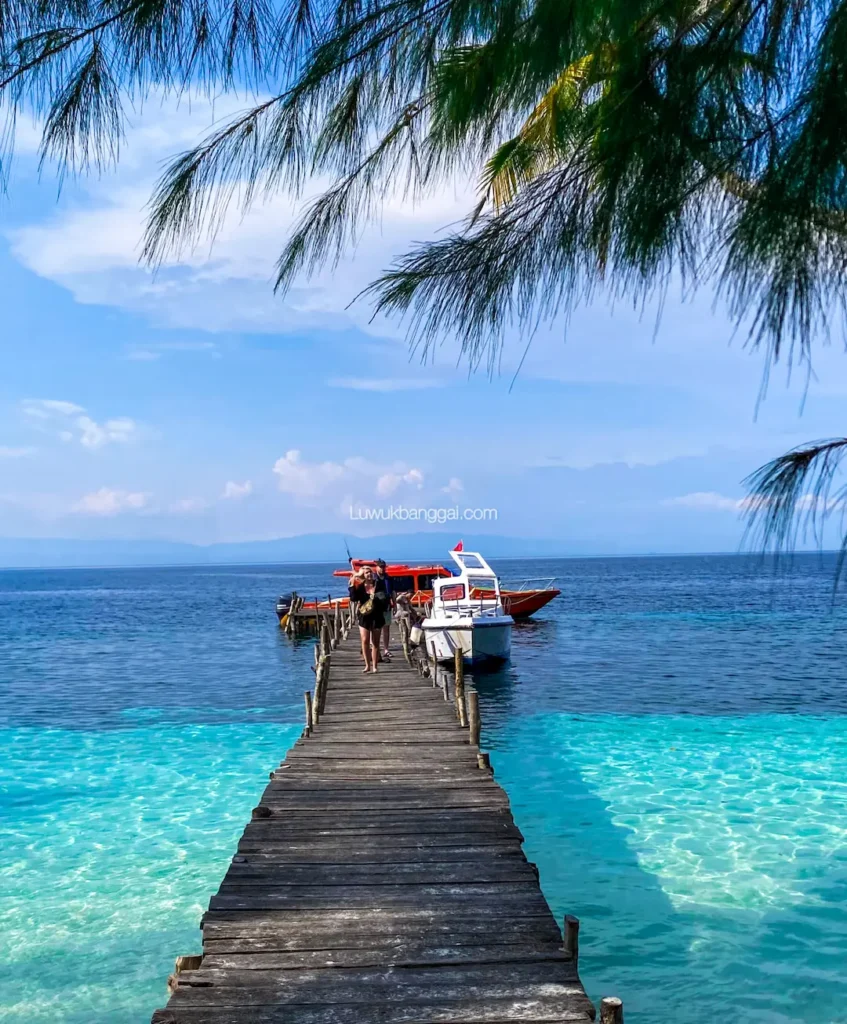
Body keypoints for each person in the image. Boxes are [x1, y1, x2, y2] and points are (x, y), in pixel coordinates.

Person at [348, 565, 386, 672]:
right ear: (363, 575)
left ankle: (375, 666)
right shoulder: (360, 586)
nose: (369, 574)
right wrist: (353, 580)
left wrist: (375, 596)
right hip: (364, 616)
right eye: (366, 573)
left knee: (375, 642)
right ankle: (367, 665)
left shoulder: (378, 584)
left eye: (370, 572)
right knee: (365, 640)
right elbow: (353, 598)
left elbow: (384, 598)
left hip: (377, 615)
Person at [374, 558, 396, 661]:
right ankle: (376, 649)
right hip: (376, 607)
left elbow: (393, 592)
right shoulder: (373, 578)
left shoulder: (389, 579)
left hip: (386, 606)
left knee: (386, 628)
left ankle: (386, 649)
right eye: (380, 567)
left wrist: (394, 605)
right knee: (376, 629)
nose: (382, 569)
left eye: (383, 567)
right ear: (376, 567)